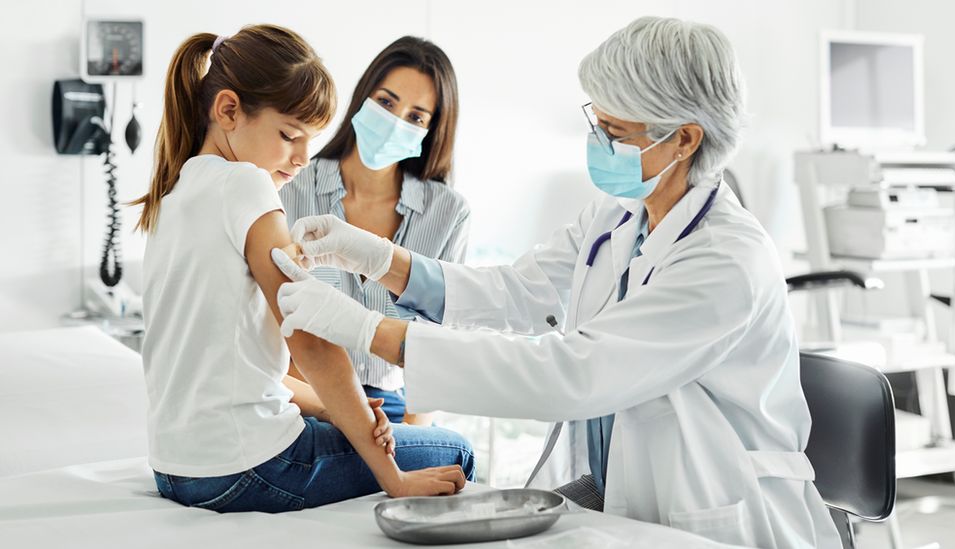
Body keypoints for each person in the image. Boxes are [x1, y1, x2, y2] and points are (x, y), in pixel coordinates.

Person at [271, 16, 842, 548]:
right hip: (620, 490)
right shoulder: (619, 213)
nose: (596, 140)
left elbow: (570, 373)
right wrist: (376, 257)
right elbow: (515, 292)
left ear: (685, 139)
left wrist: (366, 328)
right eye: (598, 120)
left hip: (716, 513)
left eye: (615, 131)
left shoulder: (725, 261)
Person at [131, 24, 473, 513]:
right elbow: (309, 336)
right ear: (228, 110)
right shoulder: (248, 185)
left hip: (177, 470)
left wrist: (330, 408)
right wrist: (393, 478)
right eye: (291, 136)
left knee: (372, 428)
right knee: (455, 450)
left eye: (310, 140)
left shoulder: (175, 193)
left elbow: (228, 362)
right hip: (249, 464)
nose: (300, 158)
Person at [279, 36, 467, 426]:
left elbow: (440, 345)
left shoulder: (448, 213)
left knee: (455, 457)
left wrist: (411, 441)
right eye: (386, 102)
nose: (395, 122)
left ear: (431, 130)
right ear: (363, 99)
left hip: (391, 407)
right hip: (300, 397)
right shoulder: (291, 185)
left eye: (416, 117)